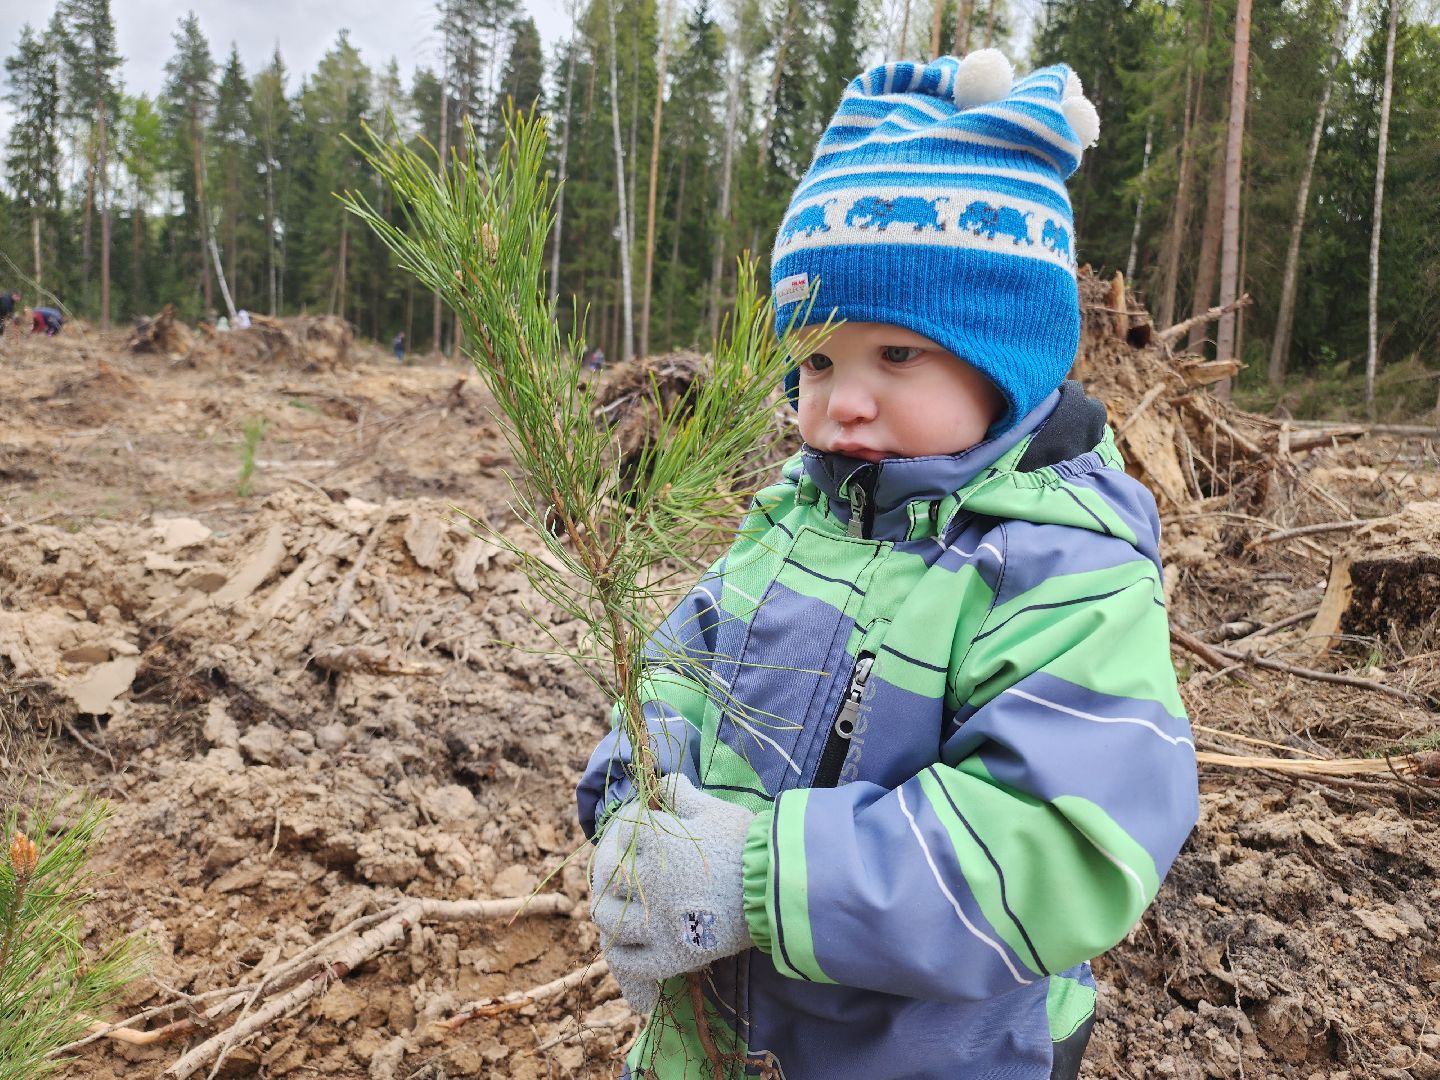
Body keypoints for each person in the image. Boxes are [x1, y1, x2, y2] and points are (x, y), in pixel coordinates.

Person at [577, 50, 1199, 1080]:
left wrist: (754, 879)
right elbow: (678, 671)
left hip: (932, 1053)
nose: (842, 402)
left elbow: (1062, 844)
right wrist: (630, 812)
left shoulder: (1061, 571)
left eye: (897, 355)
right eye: (817, 360)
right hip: (723, 1034)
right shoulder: (795, 518)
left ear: (1007, 360)